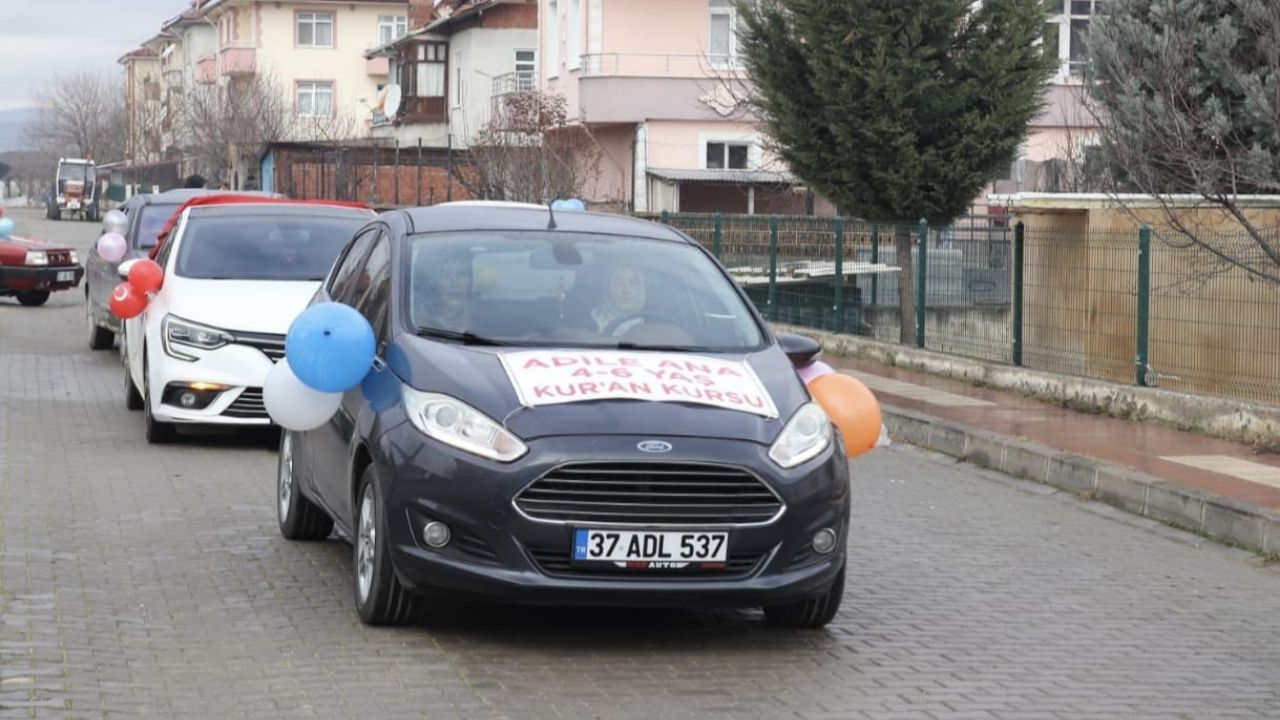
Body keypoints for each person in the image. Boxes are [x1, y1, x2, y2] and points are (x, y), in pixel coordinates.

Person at [413, 247, 473, 332]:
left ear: (470, 282)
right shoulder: (416, 322)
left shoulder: (482, 322)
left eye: (461, 274)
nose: (454, 282)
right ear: (436, 283)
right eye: (446, 275)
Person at [590, 263, 647, 336]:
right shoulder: (589, 323)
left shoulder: (651, 323)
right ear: (608, 288)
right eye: (618, 283)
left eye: (633, 283)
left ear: (641, 289)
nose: (626, 290)